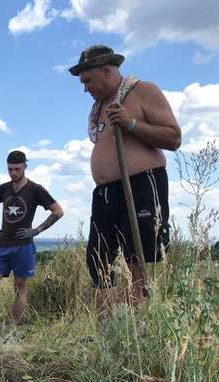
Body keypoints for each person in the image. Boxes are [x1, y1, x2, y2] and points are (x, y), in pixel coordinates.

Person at [69, 45, 181, 310]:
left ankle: (138, 329)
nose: (85, 88)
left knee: (137, 257)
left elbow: (173, 137)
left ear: (106, 70)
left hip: (140, 185)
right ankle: (107, 331)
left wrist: (131, 123)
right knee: (99, 260)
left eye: (87, 80)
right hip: (106, 193)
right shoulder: (97, 108)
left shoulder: (143, 91)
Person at [0, 150, 64, 334]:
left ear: (25, 166)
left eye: (17, 169)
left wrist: (36, 230)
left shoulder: (36, 189)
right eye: (10, 169)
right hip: (2, 246)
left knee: (20, 287)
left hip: (23, 246)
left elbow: (58, 211)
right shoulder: (3, 189)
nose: (13, 173)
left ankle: (12, 330)